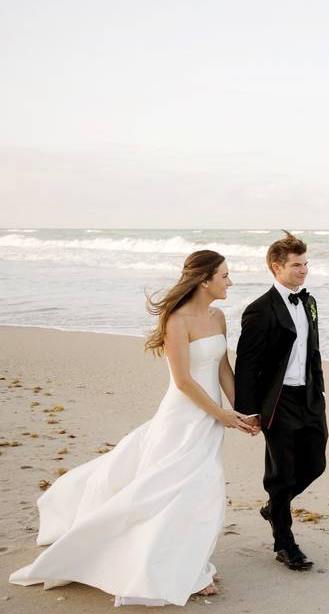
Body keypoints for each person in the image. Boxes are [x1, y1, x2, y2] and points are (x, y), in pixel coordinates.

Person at [9, 250, 257, 606]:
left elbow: (222, 370)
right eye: (224, 275)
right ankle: (181, 569)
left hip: (212, 416)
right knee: (177, 488)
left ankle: (191, 562)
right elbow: (184, 381)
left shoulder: (218, 317)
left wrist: (241, 413)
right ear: (204, 280)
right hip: (184, 416)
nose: (230, 282)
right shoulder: (177, 319)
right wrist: (221, 414)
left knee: (200, 489)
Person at [235, 230, 329, 571]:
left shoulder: (309, 302)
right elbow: (246, 364)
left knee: (316, 463)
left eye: (306, 264)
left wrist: (318, 388)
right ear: (277, 267)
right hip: (278, 401)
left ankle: (274, 507)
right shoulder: (260, 310)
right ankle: (285, 544)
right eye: (296, 265)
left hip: (309, 395)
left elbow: (312, 349)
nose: (304, 270)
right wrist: (247, 410)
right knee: (282, 474)